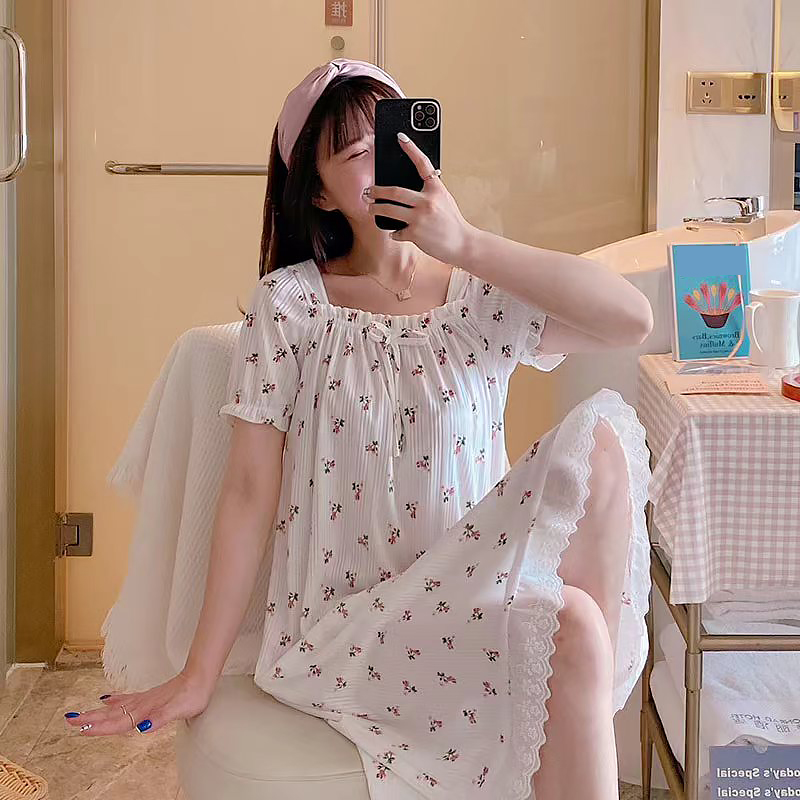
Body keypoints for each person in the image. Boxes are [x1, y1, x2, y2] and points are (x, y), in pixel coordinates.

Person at [68, 59, 654, 799]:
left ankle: (559, 711)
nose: (384, 162)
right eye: (354, 153)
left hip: (467, 598)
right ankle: (561, 722)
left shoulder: (477, 297)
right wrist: (198, 674)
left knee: (600, 448)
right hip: (343, 631)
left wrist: (466, 244)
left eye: (393, 138)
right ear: (318, 191)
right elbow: (248, 492)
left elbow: (632, 319)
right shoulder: (292, 307)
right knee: (574, 625)